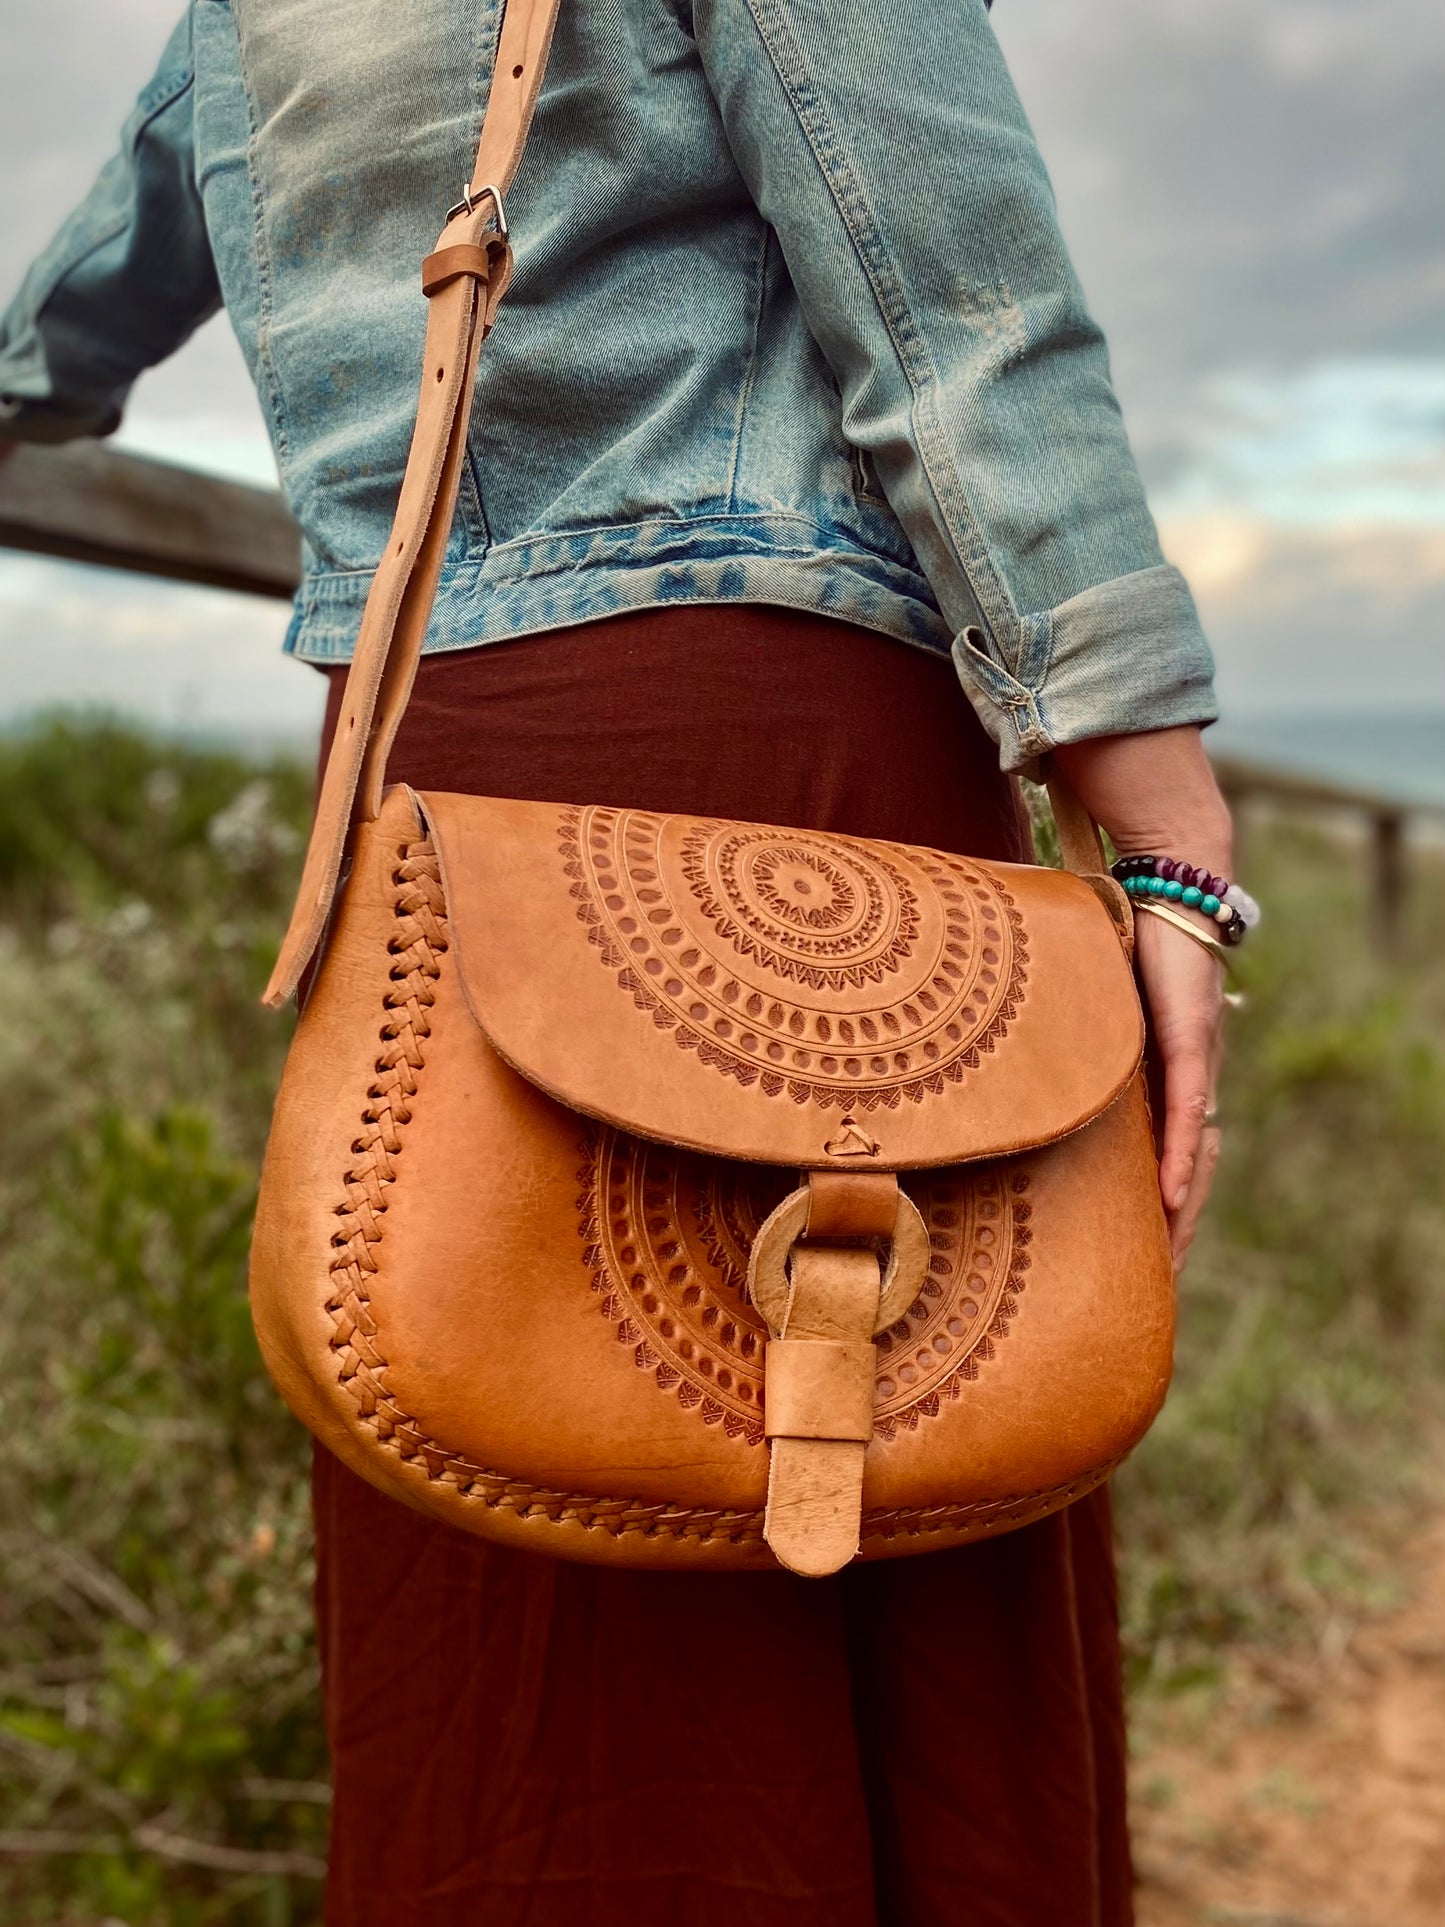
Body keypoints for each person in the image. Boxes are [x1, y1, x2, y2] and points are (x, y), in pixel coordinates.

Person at [0, 1, 1233, 1920]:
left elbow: (72, 311)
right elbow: (948, 289)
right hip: (776, 762)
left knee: (502, 1479)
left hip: (428, 773)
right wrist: (1159, 820)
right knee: (899, 1434)